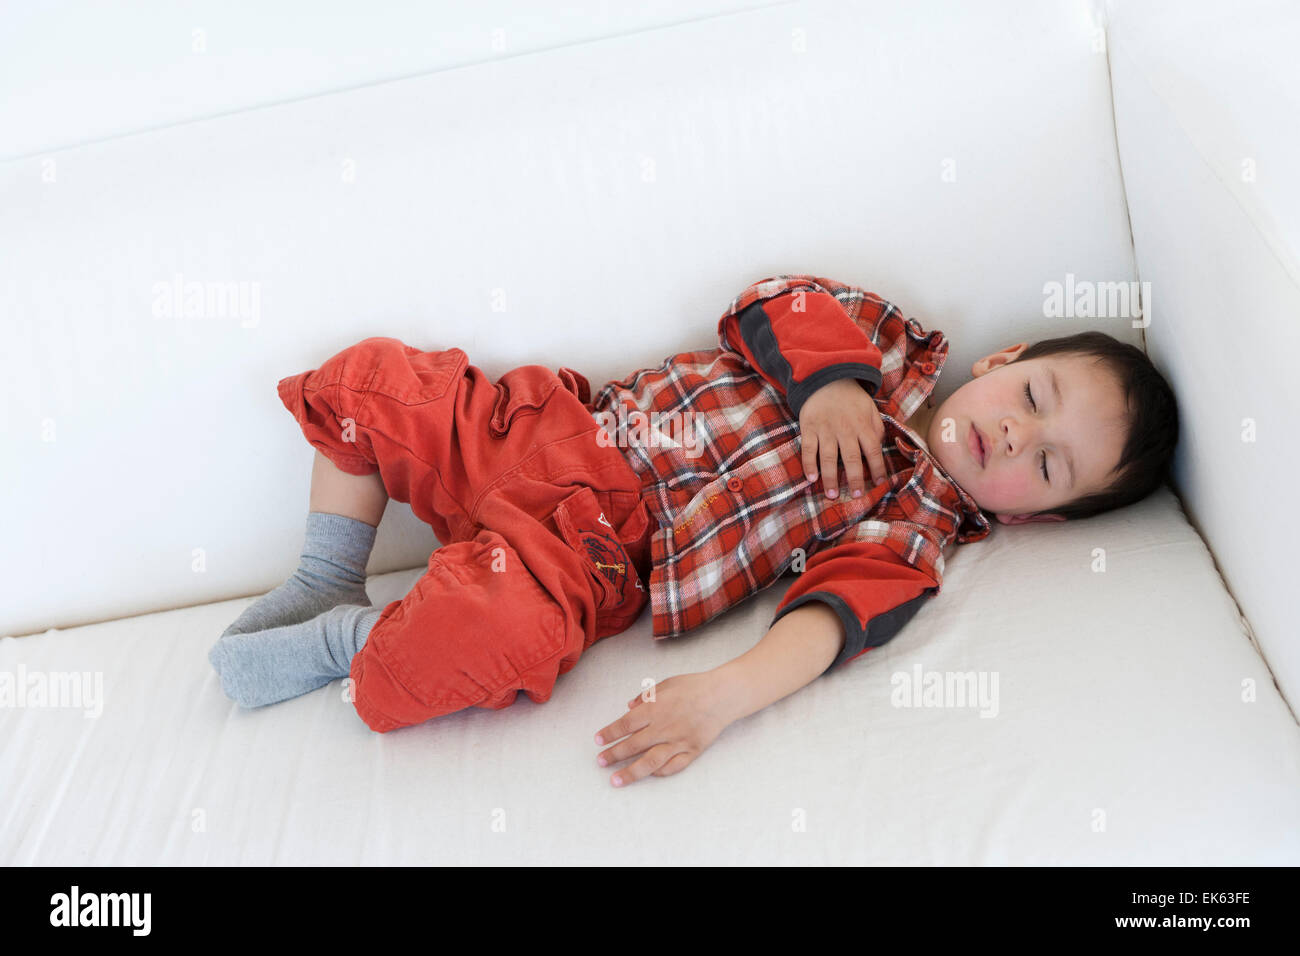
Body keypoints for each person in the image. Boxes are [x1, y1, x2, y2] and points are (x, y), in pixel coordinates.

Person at [208, 273, 1179, 788]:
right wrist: (831, 385)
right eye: (1033, 395)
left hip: (585, 552)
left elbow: (828, 620)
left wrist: (721, 696)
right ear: (1004, 358)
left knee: (473, 645)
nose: (1016, 431)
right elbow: (769, 300)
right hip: (552, 425)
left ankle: (350, 641)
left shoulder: (912, 525)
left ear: (1028, 513)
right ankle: (326, 574)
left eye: (1043, 461)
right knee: (366, 383)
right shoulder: (879, 343)